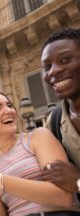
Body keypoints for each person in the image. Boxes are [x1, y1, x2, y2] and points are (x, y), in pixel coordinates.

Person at [41, 28, 80, 194]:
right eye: (47, 66)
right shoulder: (54, 122)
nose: (53, 71)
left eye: (65, 59)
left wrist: (78, 183)